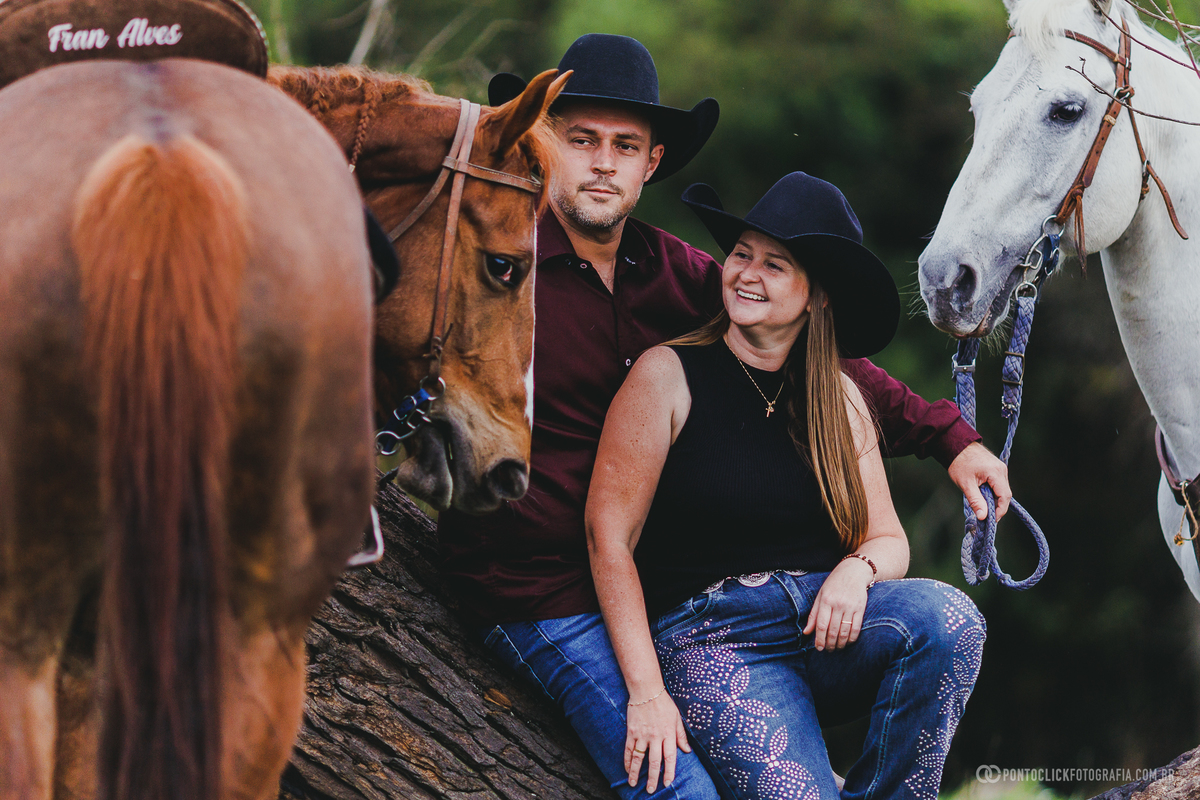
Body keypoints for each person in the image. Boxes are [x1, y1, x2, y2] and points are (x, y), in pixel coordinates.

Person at [436, 34, 1005, 800]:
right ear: (541, 145)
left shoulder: (678, 273)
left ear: (651, 164)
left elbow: (815, 353)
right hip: (541, 587)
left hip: (655, 586)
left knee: (943, 624)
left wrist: (950, 436)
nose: (602, 163)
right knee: (681, 787)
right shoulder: (486, 269)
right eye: (581, 140)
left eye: (624, 146)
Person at [586, 172, 986, 800]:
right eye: (741, 254)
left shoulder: (840, 399)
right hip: (713, 640)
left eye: (774, 265)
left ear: (816, 297)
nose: (747, 274)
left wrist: (856, 571)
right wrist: (645, 692)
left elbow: (887, 539)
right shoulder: (667, 376)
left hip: (824, 628)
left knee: (951, 621)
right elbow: (608, 538)